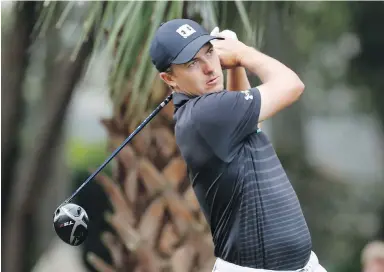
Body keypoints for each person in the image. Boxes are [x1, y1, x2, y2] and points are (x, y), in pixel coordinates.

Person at [150, 18, 327, 272]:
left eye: (210, 53)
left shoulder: (215, 111)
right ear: (170, 79)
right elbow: (292, 85)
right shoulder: (206, 114)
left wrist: (234, 67)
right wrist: (241, 52)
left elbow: (249, 128)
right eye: (192, 64)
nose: (210, 69)